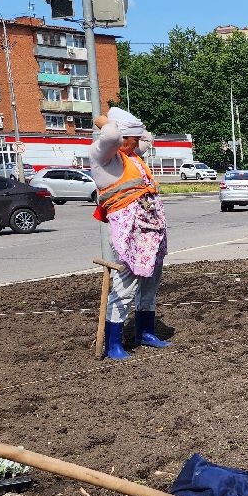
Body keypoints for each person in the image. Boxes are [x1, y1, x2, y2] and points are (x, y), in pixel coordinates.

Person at [90, 106, 170, 359]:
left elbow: (147, 137)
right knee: (125, 287)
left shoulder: (132, 154)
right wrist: (102, 120)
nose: (137, 144)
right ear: (121, 137)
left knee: (150, 282)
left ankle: (144, 332)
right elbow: (112, 134)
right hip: (128, 233)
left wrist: (134, 129)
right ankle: (114, 343)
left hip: (150, 229)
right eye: (131, 139)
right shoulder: (104, 157)